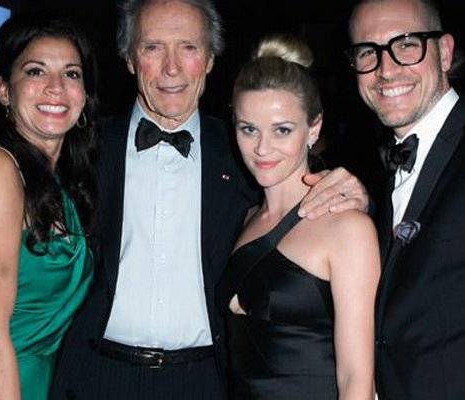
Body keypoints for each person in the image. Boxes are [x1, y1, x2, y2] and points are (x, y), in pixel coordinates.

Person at [51, 1, 369, 399]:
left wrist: (356, 195)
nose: (171, 68)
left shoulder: (246, 155)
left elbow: (308, 202)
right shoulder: (82, 150)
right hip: (97, 377)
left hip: (206, 382)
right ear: (130, 59)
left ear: (211, 59)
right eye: (152, 47)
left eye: (188, 47)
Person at [217, 33, 380, 400]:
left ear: (314, 128)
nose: (262, 148)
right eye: (248, 129)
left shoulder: (347, 227)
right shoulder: (246, 219)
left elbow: (356, 380)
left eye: (282, 130)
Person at [0, 11, 98, 400]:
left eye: (71, 74)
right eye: (36, 72)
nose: (56, 87)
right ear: (4, 90)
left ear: (84, 94)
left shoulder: (62, 184)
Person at [346, 0, 465, 398]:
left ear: (444, 52)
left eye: (406, 44)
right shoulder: (378, 168)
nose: (385, 69)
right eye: (368, 52)